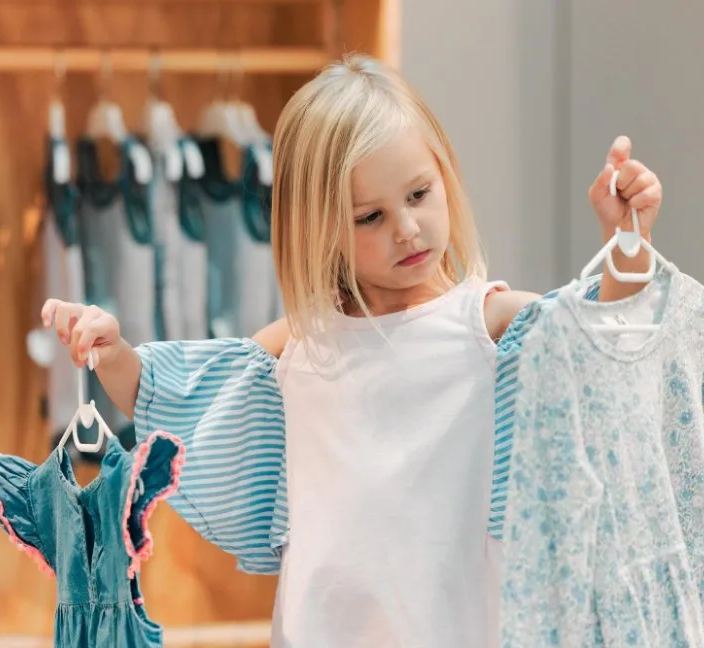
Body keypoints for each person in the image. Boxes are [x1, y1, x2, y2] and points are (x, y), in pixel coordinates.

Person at [41, 54, 664, 648]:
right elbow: (175, 403)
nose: (406, 228)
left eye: (419, 195)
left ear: (444, 174)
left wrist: (626, 243)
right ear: (321, 230)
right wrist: (114, 353)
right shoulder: (301, 344)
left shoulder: (490, 324)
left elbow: (604, 345)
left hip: (458, 627)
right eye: (369, 216)